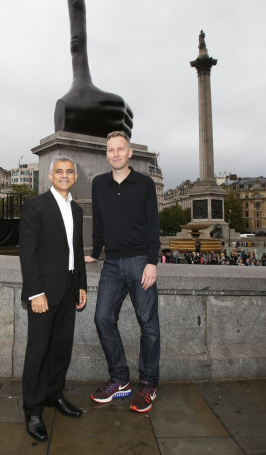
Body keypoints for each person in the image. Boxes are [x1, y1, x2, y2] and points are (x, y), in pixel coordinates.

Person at [85, 130, 160, 414]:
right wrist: (95, 251)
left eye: (120, 149)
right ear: (107, 155)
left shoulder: (144, 184)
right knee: (103, 317)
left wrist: (152, 261)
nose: (115, 153)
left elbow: (153, 223)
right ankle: (120, 380)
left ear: (130, 153)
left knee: (148, 324)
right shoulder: (98, 184)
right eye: (111, 150)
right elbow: (100, 223)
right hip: (113, 264)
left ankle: (149, 383)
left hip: (141, 260)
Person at [19, 156, 87, 441]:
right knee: (37, 352)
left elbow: (77, 248)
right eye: (58, 171)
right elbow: (28, 252)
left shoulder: (78, 209)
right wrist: (35, 292)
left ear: (75, 177)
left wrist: (81, 284)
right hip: (43, 293)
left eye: (69, 172)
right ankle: (33, 410)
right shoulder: (35, 206)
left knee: (61, 348)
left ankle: (53, 395)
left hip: (69, 289)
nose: (64, 175)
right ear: (49, 176)